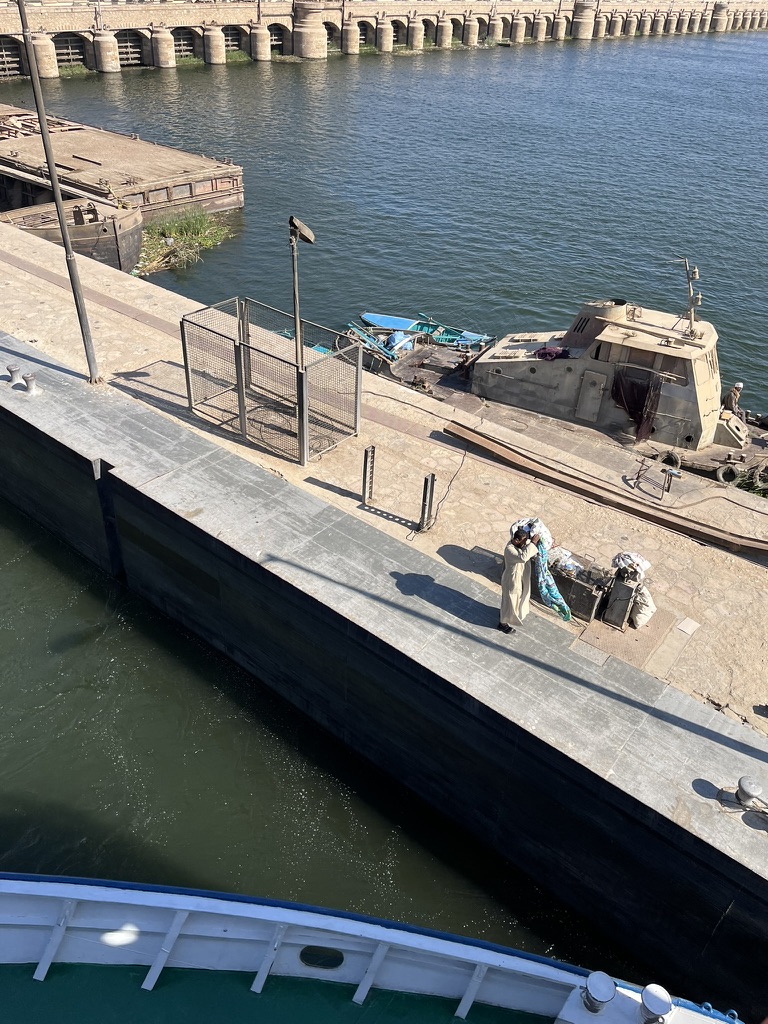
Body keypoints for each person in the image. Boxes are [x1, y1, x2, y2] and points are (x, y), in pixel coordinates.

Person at [498, 528, 538, 633]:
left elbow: (527, 547)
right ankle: (503, 624)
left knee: (513, 600)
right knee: (510, 601)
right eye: (523, 541)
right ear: (516, 540)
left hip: (517, 578)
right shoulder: (509, 550)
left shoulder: (518, 545)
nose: (524, 543)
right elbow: (523, 557)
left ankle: (504, 614)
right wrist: (533, 543)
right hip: (511, 580)